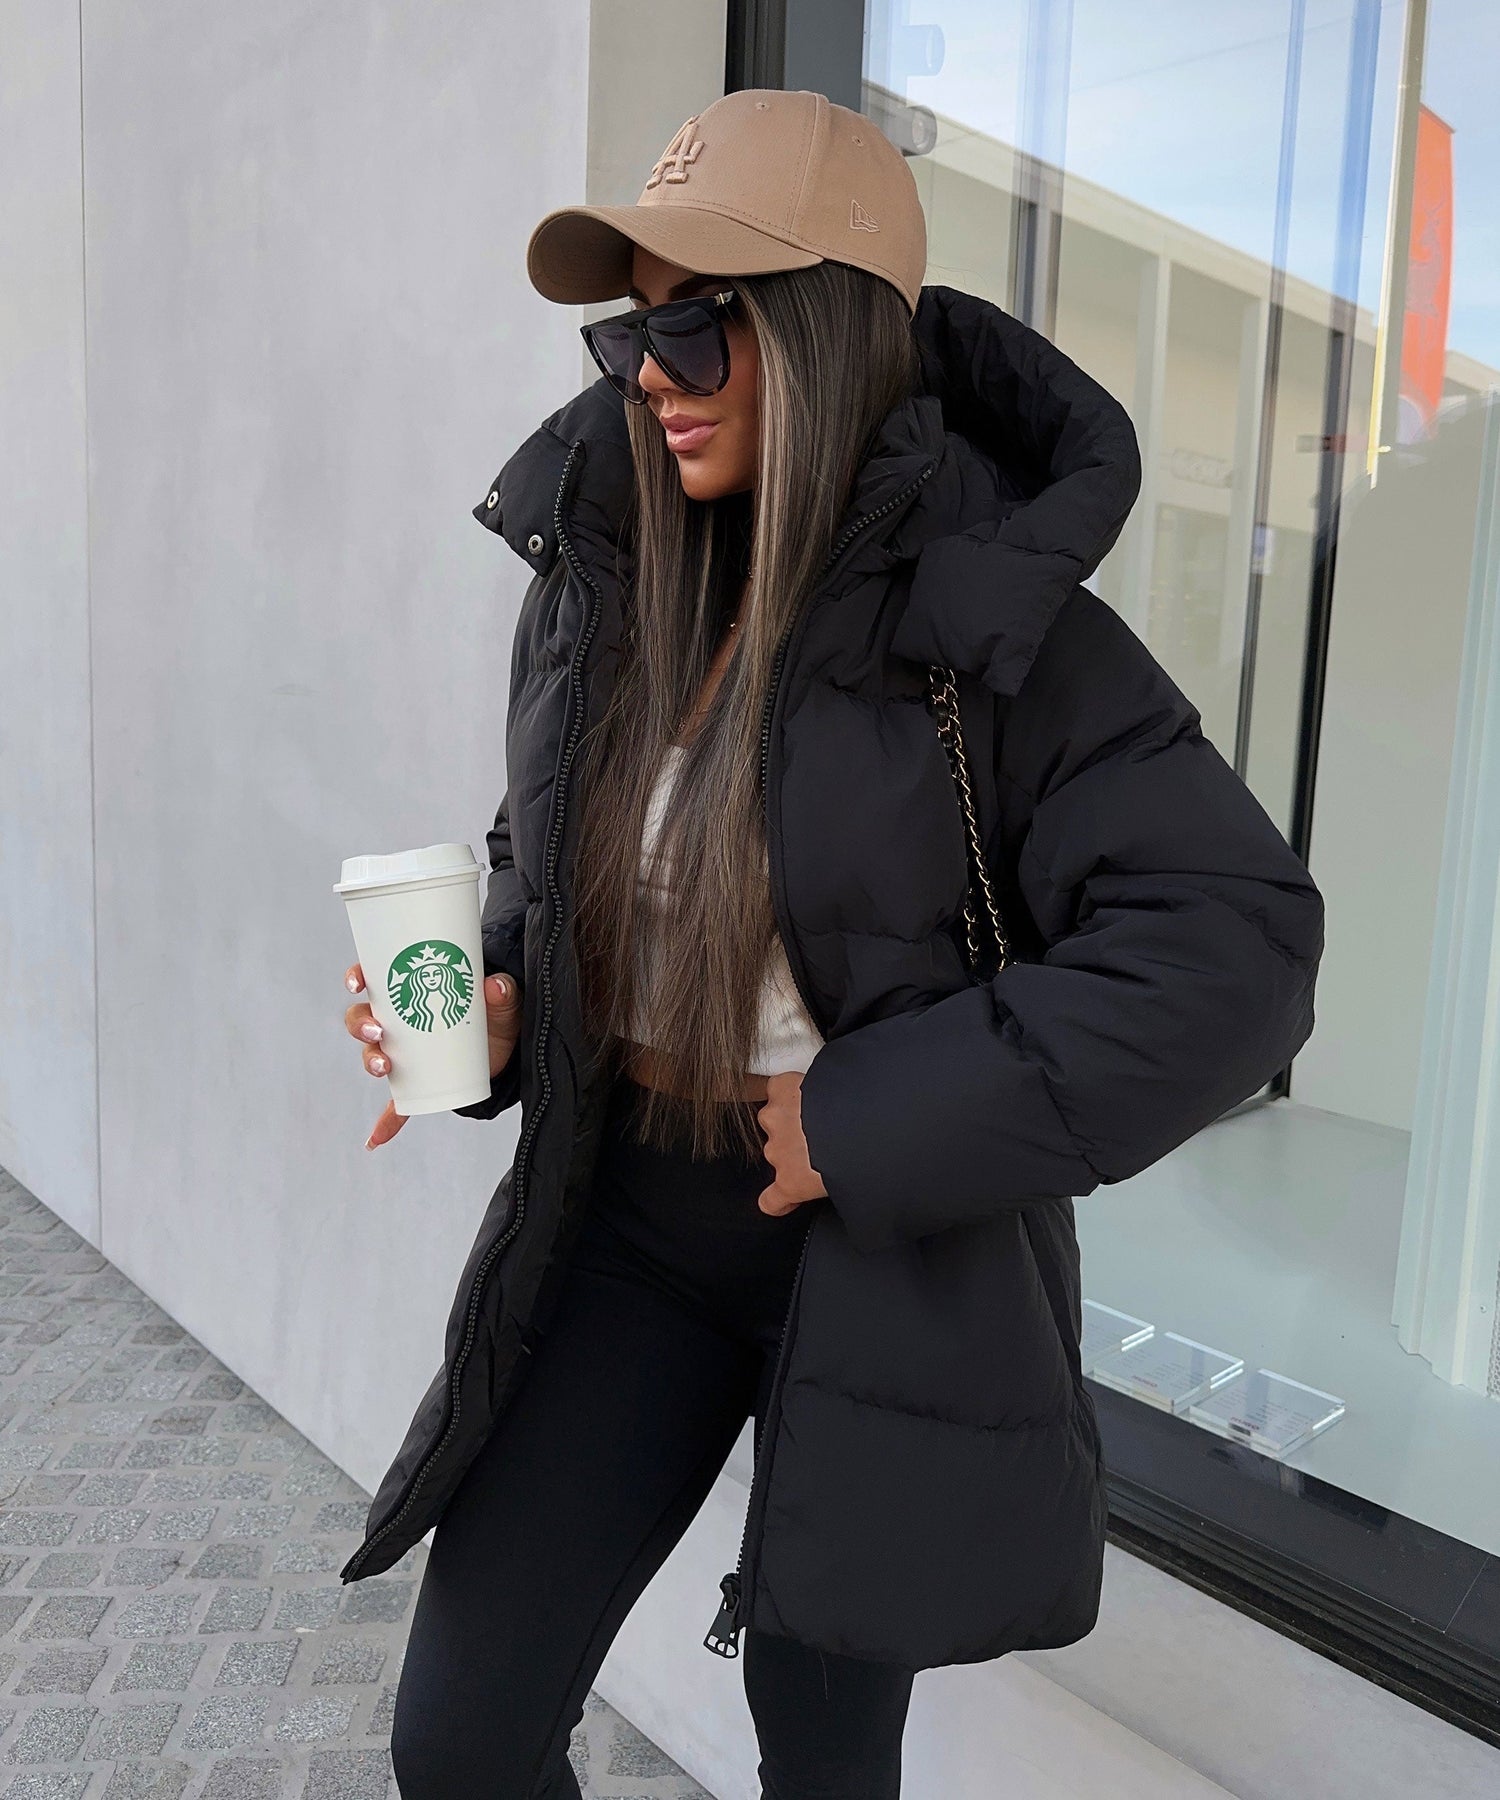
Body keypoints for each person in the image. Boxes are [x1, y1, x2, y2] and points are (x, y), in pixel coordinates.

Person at [339, 88, 1325, 1799]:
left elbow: (1236, 947)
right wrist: (502, 996)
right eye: (628, 328)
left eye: (695, 325)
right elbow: (544, 847)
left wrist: (878, 1116)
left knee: (823, 1761)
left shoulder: (995, 618)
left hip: (884, 1256)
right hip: (626, 1216)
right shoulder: (604, 568)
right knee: (463, 1740)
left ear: (824, 330)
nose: (649, 374)